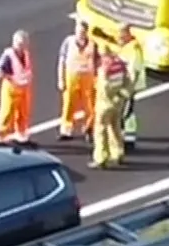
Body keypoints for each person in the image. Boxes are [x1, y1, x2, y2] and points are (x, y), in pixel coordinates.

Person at [92, 39, 134, 169]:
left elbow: (104, 87)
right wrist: (121, 95)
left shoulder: (105, 67)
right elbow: (128, 82)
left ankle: (101, 157)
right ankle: (118, 153)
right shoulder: (120, 65)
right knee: (115, 127)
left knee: (100, 130)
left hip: (104, 103)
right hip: (118, 102)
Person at [54, 19, 97, 141]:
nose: (80, 34)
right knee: (69, 104)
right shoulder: (68, 42)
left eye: (83, 32)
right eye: (79, 31)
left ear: (86, 32)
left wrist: (96, 79)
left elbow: (97, 61)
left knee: (90, 105)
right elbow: (62, 61)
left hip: (88, 77)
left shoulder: (92, 44)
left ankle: (89, 128)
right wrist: (61, 79)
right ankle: (66, 130)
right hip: (71, 76)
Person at [0, 31, 34, 144]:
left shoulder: (26, 54)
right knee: (7, 112)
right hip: (12, 89)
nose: (21, 46)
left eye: (24, 43)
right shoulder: (8, 56)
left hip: (24, 88)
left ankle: (21, 133)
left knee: (23, 112)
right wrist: (10, 77)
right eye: (19, 43)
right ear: (14, 43)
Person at [116, 25, 147, 151]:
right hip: (124, 85)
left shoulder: (133, 49)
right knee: (127, 111)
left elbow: (134, 71)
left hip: (129, 86)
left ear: (127, 34)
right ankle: (127, 137)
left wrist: (129, 88)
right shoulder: (126, 47)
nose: (119, 37)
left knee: (126, 112)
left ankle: (128, 139)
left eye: (121, 34)